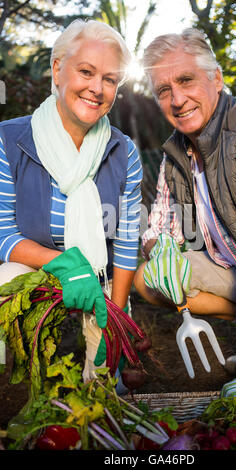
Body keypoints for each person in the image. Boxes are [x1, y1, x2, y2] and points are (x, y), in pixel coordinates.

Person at [134, 28, 236, 399]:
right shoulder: (176, 153)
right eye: (164, 90)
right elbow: (159, 225)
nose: (177, 99)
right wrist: (158, 247)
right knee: (147, 279)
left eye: (186, 80)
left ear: (217, 79)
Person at [0, 19, 143, 389]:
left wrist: (116, 318)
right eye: (86, 72)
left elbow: (127, 243)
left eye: (110, 79)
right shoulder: (8, 140)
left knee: (105, 388)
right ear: (57, 68)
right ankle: (32, 368)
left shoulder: (123, 151)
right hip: (35, 268)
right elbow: (3, 234)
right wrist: (61, 263)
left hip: (100, 278)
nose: (97, 88)